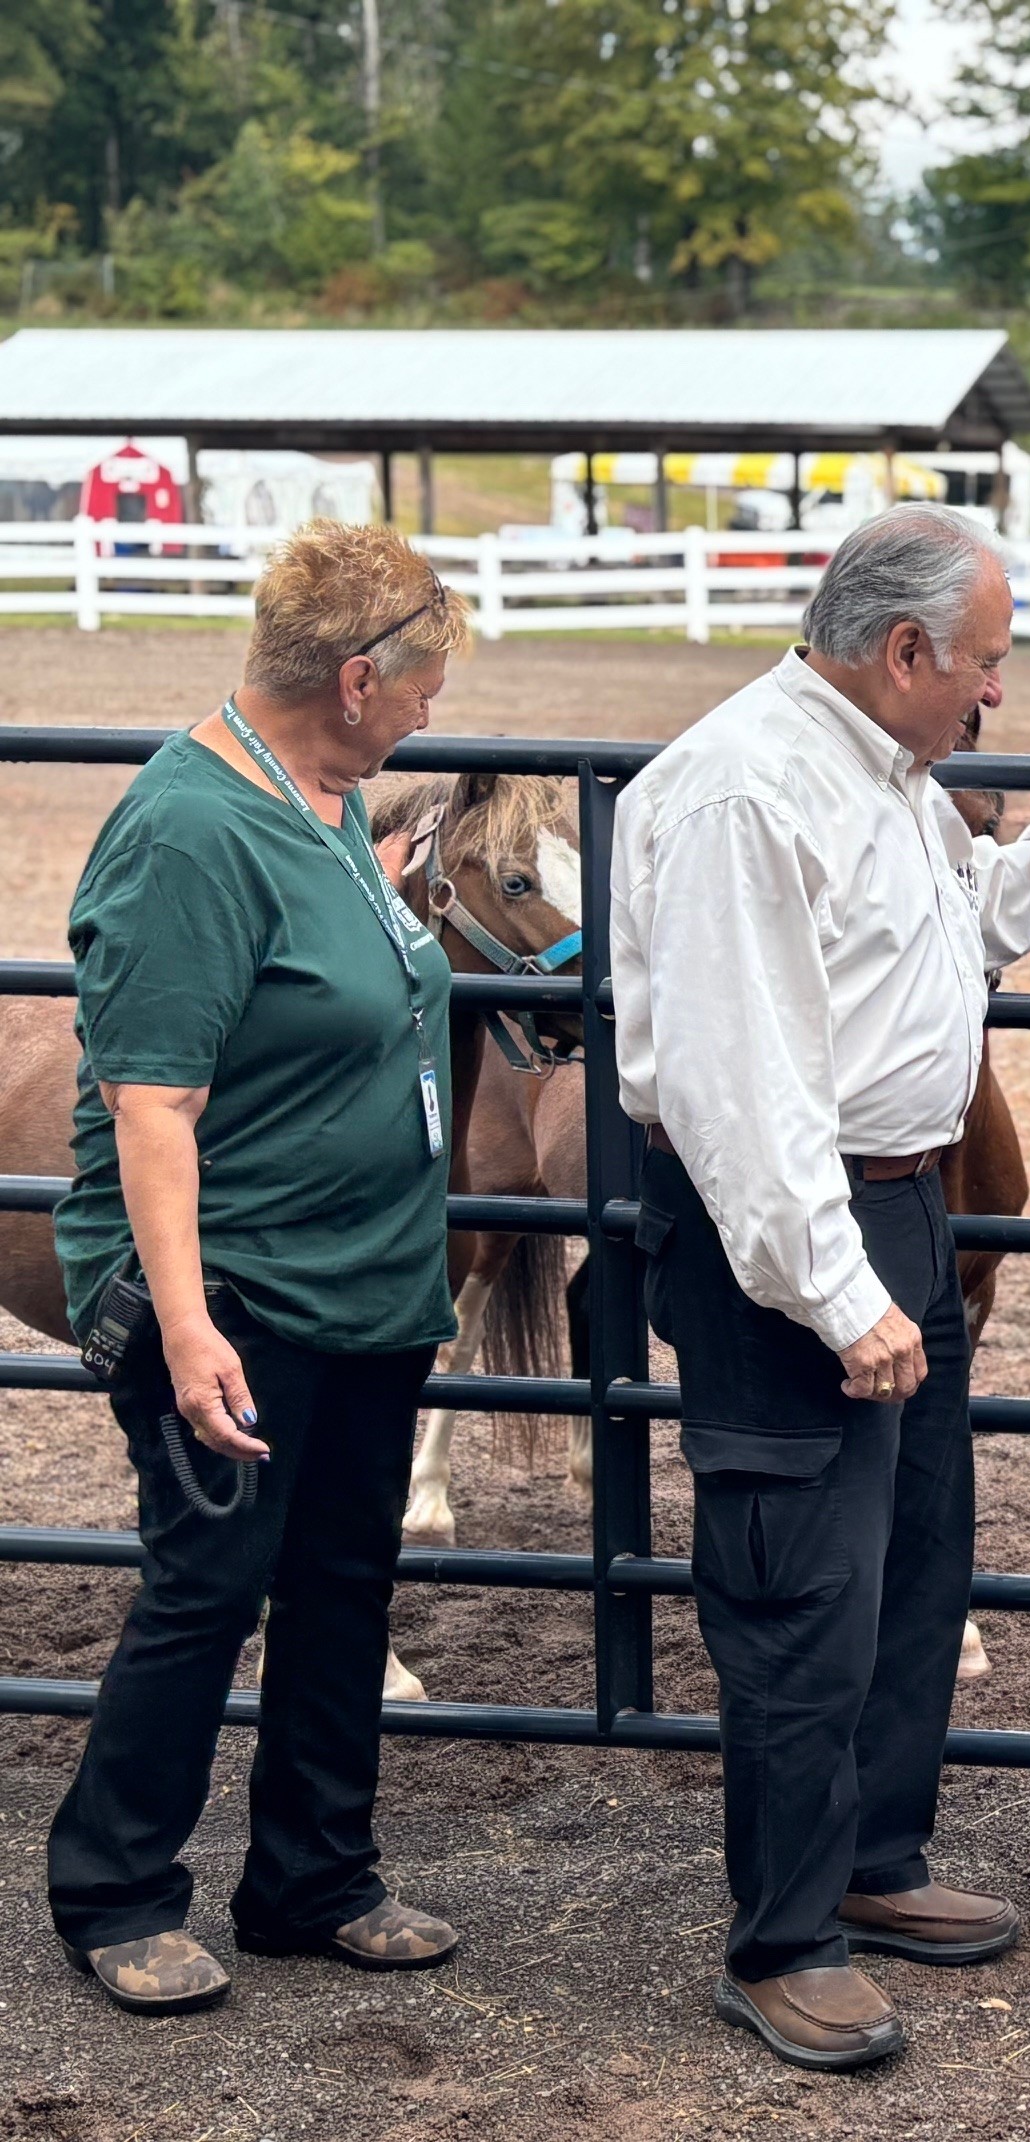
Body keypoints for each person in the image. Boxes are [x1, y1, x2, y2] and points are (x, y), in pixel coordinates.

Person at [614, 504, 1030, 2073]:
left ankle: (873, 1863)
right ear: (902, 652)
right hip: (800, 1231)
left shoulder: (884, 778)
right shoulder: (746, 790)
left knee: (908, 1558)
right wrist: (837, 1289)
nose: (998, 693)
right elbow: (740, 1081)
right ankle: (781, 1939)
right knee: (801, 1582)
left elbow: (953, 933)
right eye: (987, 663)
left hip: (892, 1210)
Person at [48, 523, 473, 2014]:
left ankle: (311, 1873)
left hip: (357, 1281)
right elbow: (153, 1102)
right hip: (235, 1288)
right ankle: (112, 1886)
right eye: (419, 681)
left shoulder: (328, 798)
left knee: (345, 1578)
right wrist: (182, 1324)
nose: (431, 707)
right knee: (209, 1580)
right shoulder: (188, 833)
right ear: (355, 679)